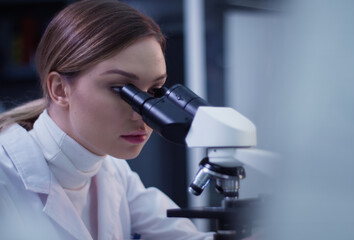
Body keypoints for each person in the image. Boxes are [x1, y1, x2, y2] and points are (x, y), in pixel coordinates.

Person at [0, 0, 213, 239]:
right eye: (121, 89)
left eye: (154, 91)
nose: (142, 113)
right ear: (59, 90)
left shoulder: (113, 172)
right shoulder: (5, 178)